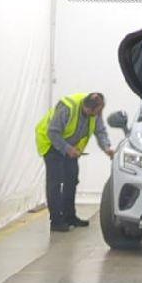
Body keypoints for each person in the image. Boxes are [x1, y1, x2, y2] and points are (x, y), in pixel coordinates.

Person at [35, 91, 113, 232]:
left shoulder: (95, 113)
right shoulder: (67, 108)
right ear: (89, 108)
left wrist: (107, 148)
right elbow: (52, 132)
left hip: (70, 147)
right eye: (97, 112)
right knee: (55, 182)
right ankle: (56, 221)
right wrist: (68, 149)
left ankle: (70, 216)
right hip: (51, 143)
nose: (99, 115)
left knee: (71, 179)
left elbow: (100, 131)